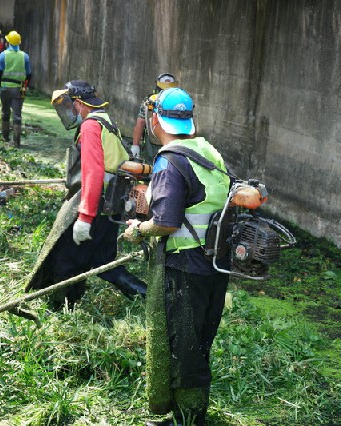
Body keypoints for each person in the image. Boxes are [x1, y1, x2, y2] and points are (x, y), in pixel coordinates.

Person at [124, 88, 231, 426]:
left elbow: (167, 223)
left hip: (185, 267)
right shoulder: (209, 151)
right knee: (198, 341)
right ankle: (189, 413)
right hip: (215, 264)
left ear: (156, 120)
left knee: (184, 347)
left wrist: (138, 230)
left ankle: (190, 420)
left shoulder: (170, 160)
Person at [24, 80, 147, 308]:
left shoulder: (90, 125)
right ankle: (150, 298)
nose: (70, 111)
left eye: (71, 106)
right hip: (111, 203)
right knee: (105, 263)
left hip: (98, 204)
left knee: (66, 259)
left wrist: (84, 218)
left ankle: (60, 311)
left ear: (80, 104)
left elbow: (93, 172)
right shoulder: (107, 121)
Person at [0, 30, 31, 147]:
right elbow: (29, 74)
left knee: (5, 113)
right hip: (19, 89)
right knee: (17, 115)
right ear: (19, 43)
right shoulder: (25, 56)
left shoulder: (2, 56)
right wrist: (25, 88)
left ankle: (5, 139)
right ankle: (17, 142)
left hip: (4, 89)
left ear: (7, 42)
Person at [131, 73, 178, 163]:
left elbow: (140, 123)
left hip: (153, 144)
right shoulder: (181, 100)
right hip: (172, 144)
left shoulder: (150, 100)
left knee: (151, 170)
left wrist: (135, 145)